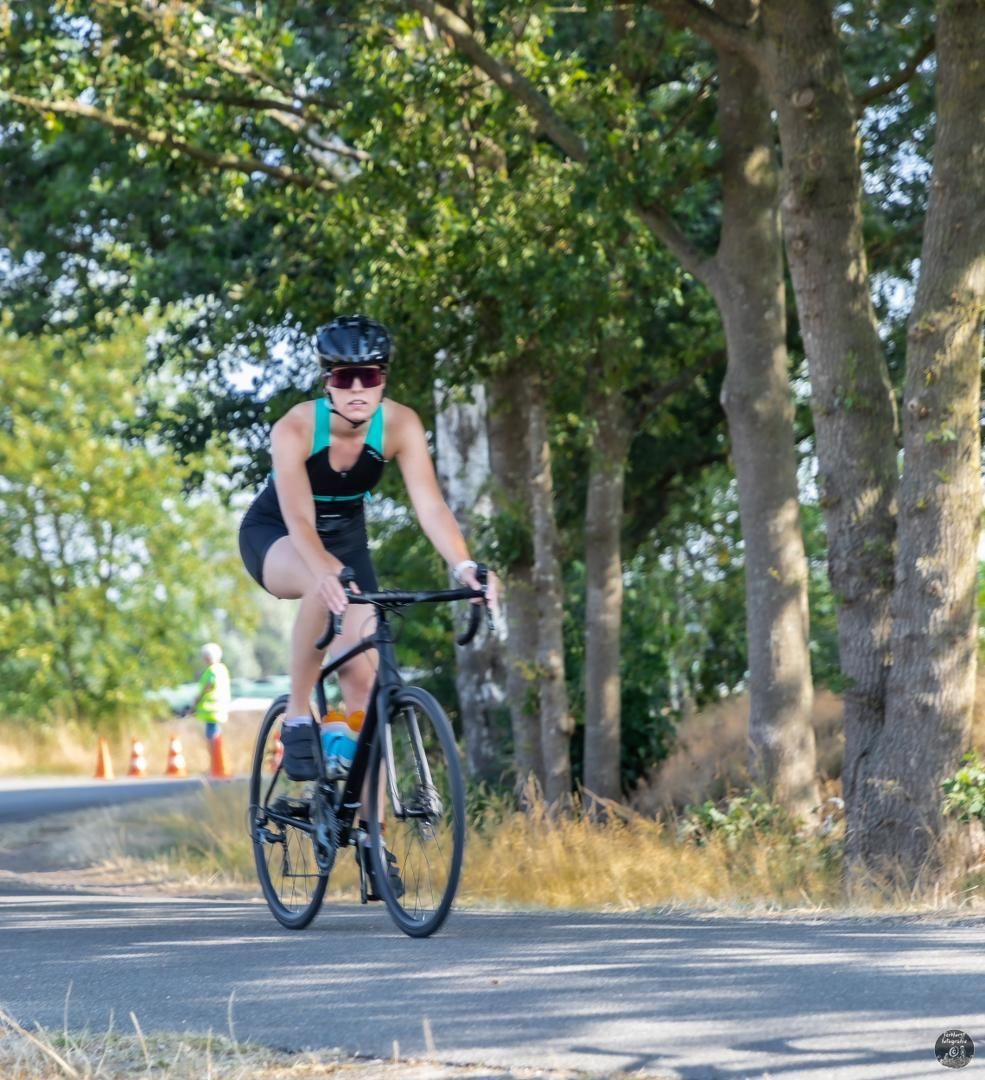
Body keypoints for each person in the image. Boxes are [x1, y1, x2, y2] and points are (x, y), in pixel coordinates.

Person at [238, 315, 498, 894]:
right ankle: (300, 715)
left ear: (383, 379)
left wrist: (464, 566)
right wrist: (325, 571)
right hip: (278, 535)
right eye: (346, 376)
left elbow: (430, 507)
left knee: (370, 685)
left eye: (370, 376)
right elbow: (301, 520)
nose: (359, 388)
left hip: (348, 539)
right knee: (318, 583)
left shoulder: (401, 424)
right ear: (328, 380)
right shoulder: (297, 428)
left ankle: (372, 842)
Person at [192, 642, 231, 746]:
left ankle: (216, 759)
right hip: (218, 710)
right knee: (215, 737)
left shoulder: (213, 670)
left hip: (212, 711)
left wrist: (197, 700)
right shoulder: (222, 669)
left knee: (213, 740)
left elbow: (209, 685)